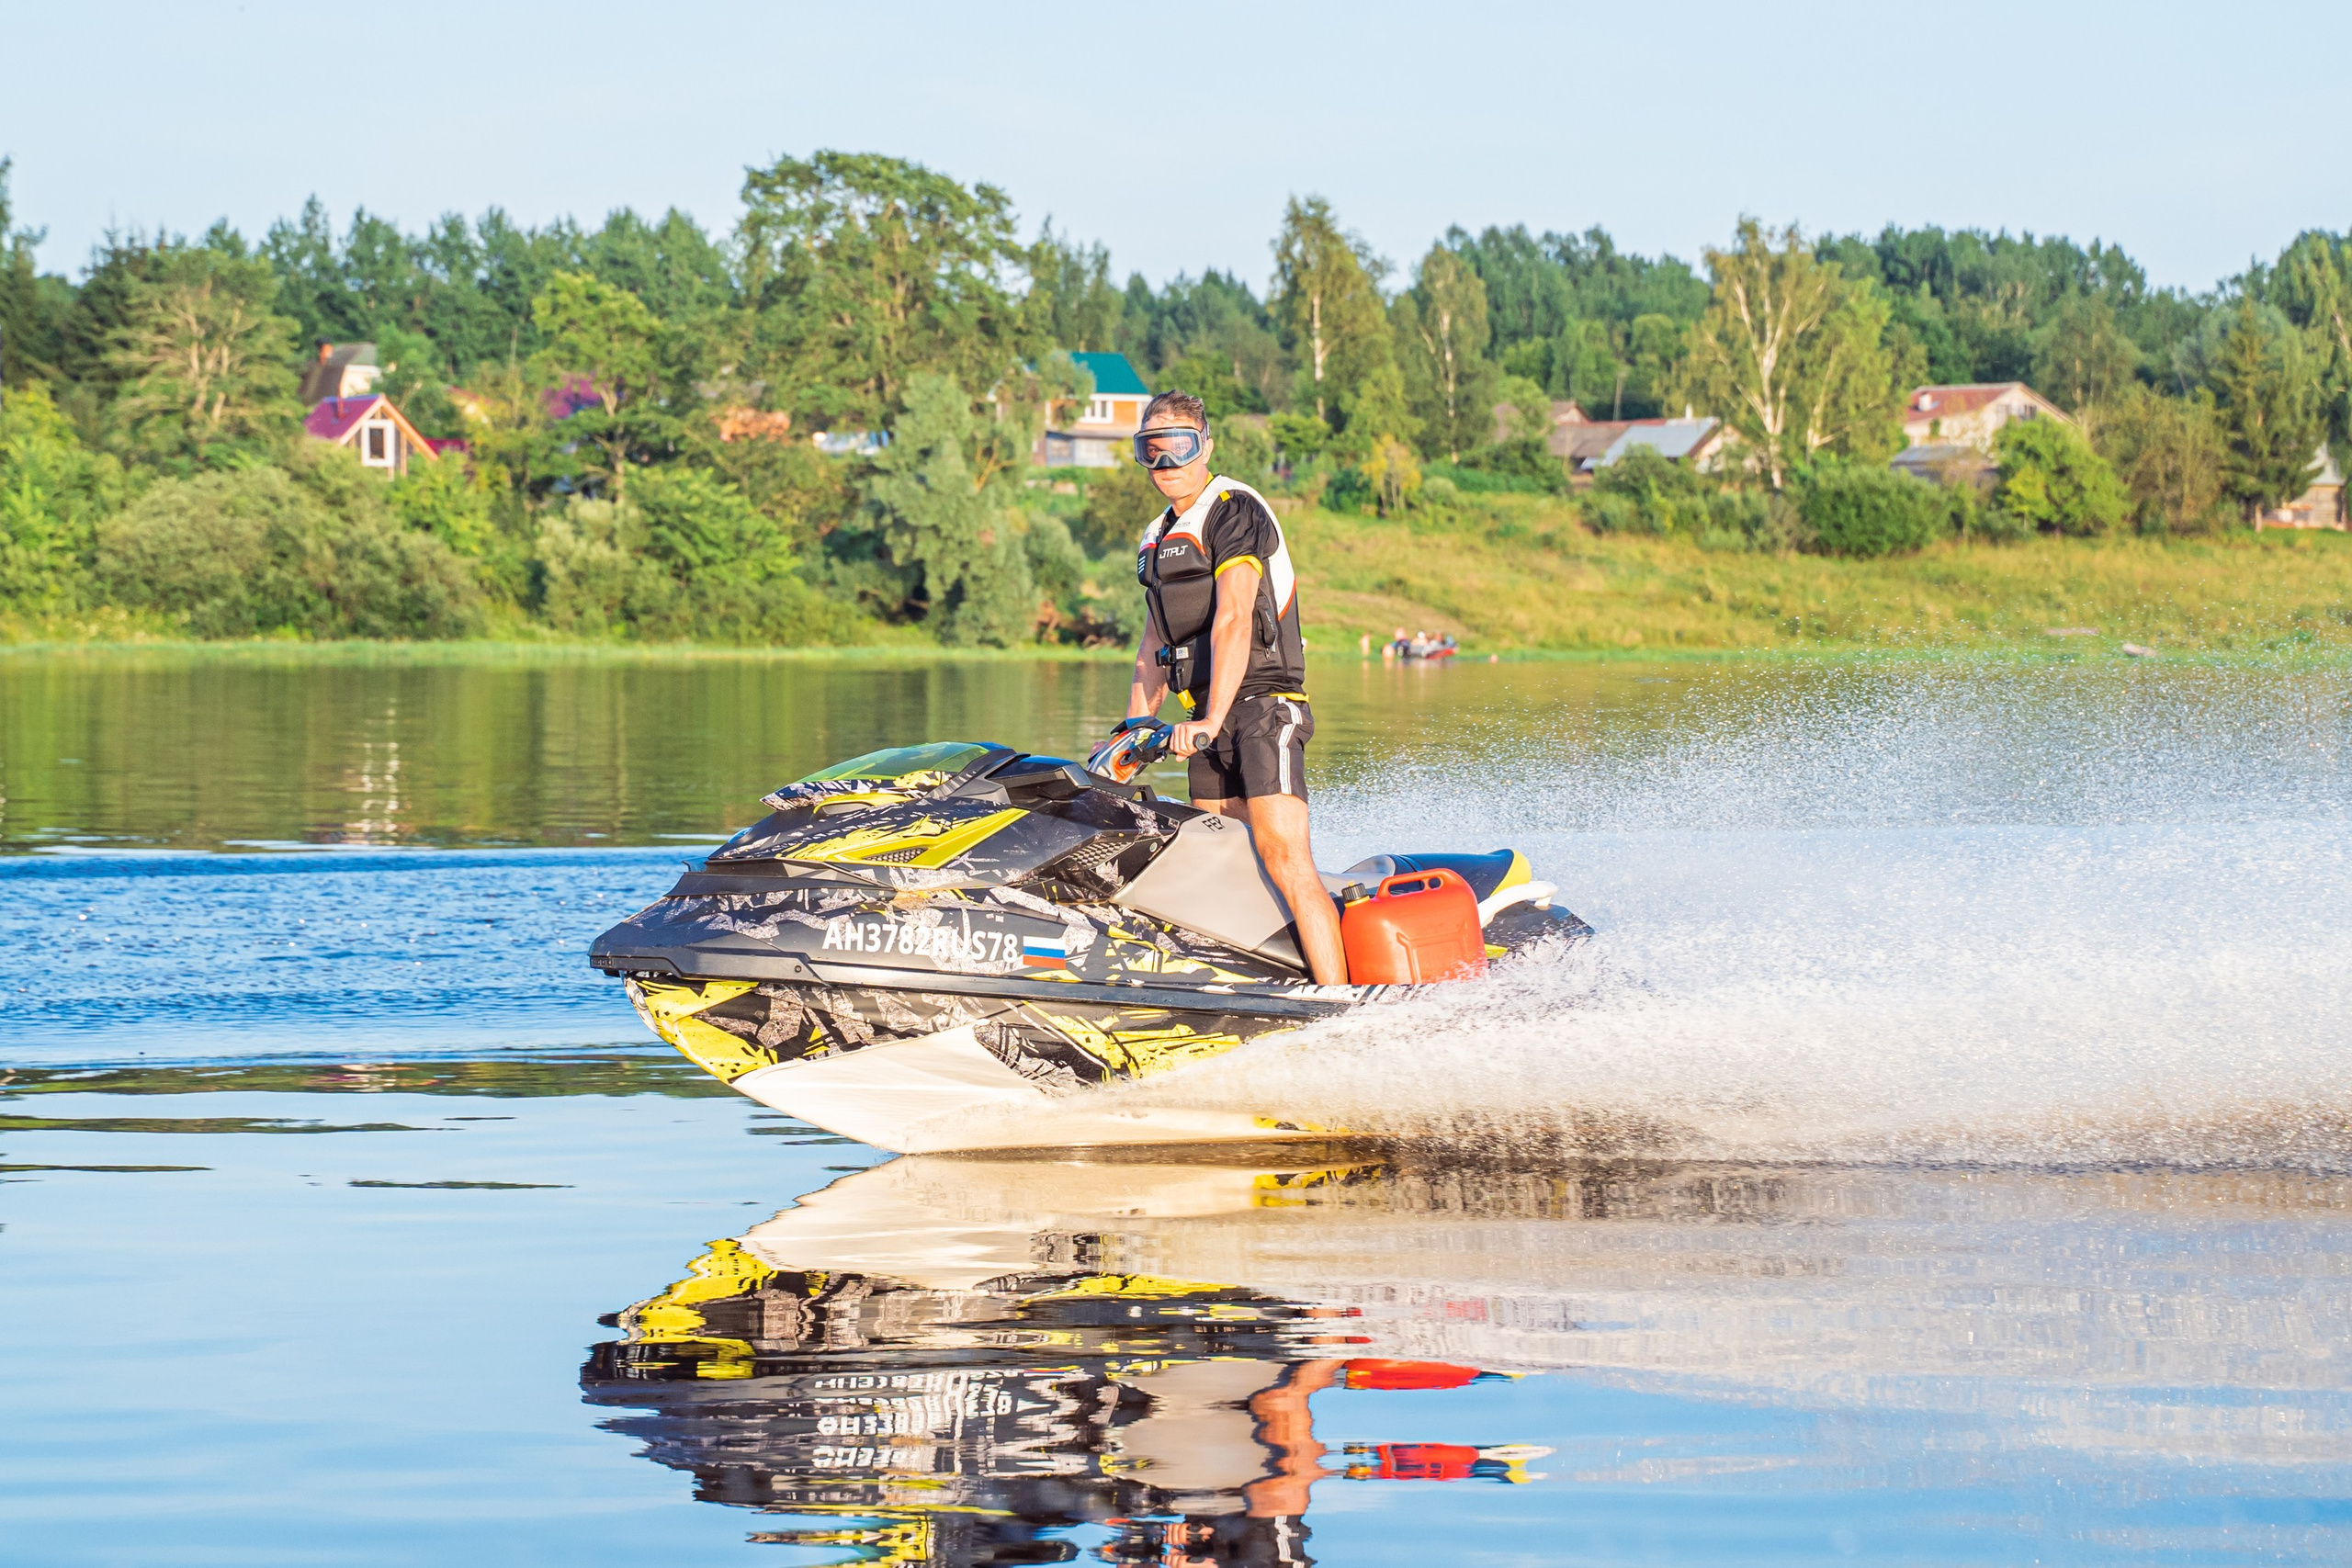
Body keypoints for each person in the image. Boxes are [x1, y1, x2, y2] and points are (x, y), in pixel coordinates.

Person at [1122, 390, 1348, 985]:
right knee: (1223, 868)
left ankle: (1341, 1013)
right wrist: (1131, 730)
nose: (1167, 462)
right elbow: (1153, 643)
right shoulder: (1156, 536)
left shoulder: (1233, 508)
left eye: (1180, 447)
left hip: (1263, 708)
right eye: (1153, 449)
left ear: (1206, 447)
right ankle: (1260, 994)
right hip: (1207, 722)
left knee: (1283, 858)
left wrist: (1211, 717)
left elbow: (1233, 617)